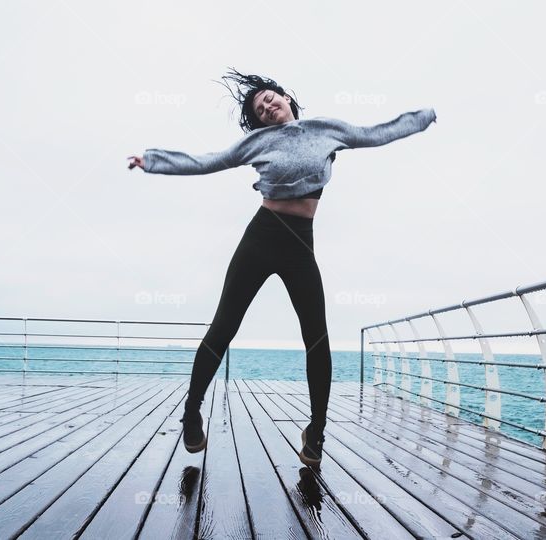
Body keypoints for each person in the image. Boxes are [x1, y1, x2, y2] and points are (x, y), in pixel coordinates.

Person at [127, 67, 437, 467]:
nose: (268, 106)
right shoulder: (258, 142)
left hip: (299, 244)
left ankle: (317, 434)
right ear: (258, 119)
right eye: (259, 108)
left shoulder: (326, 130)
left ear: (285, 96)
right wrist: (152, 161)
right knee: (224, 326)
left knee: (317, 336)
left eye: (270, 97)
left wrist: (421, 119)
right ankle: (190, 413)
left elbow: (374, 133)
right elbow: (207, 161)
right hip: (260, 238)